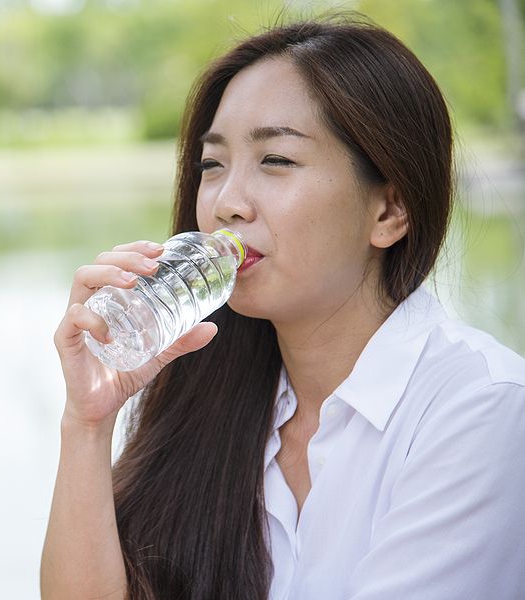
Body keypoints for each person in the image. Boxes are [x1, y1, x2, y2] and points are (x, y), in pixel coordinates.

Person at [40, 16, 525, 600]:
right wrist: (87, 426)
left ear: (389, 211)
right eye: (212, 166)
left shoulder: (483, 409)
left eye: (276, 160)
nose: (227, 204)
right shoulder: (212, 399)